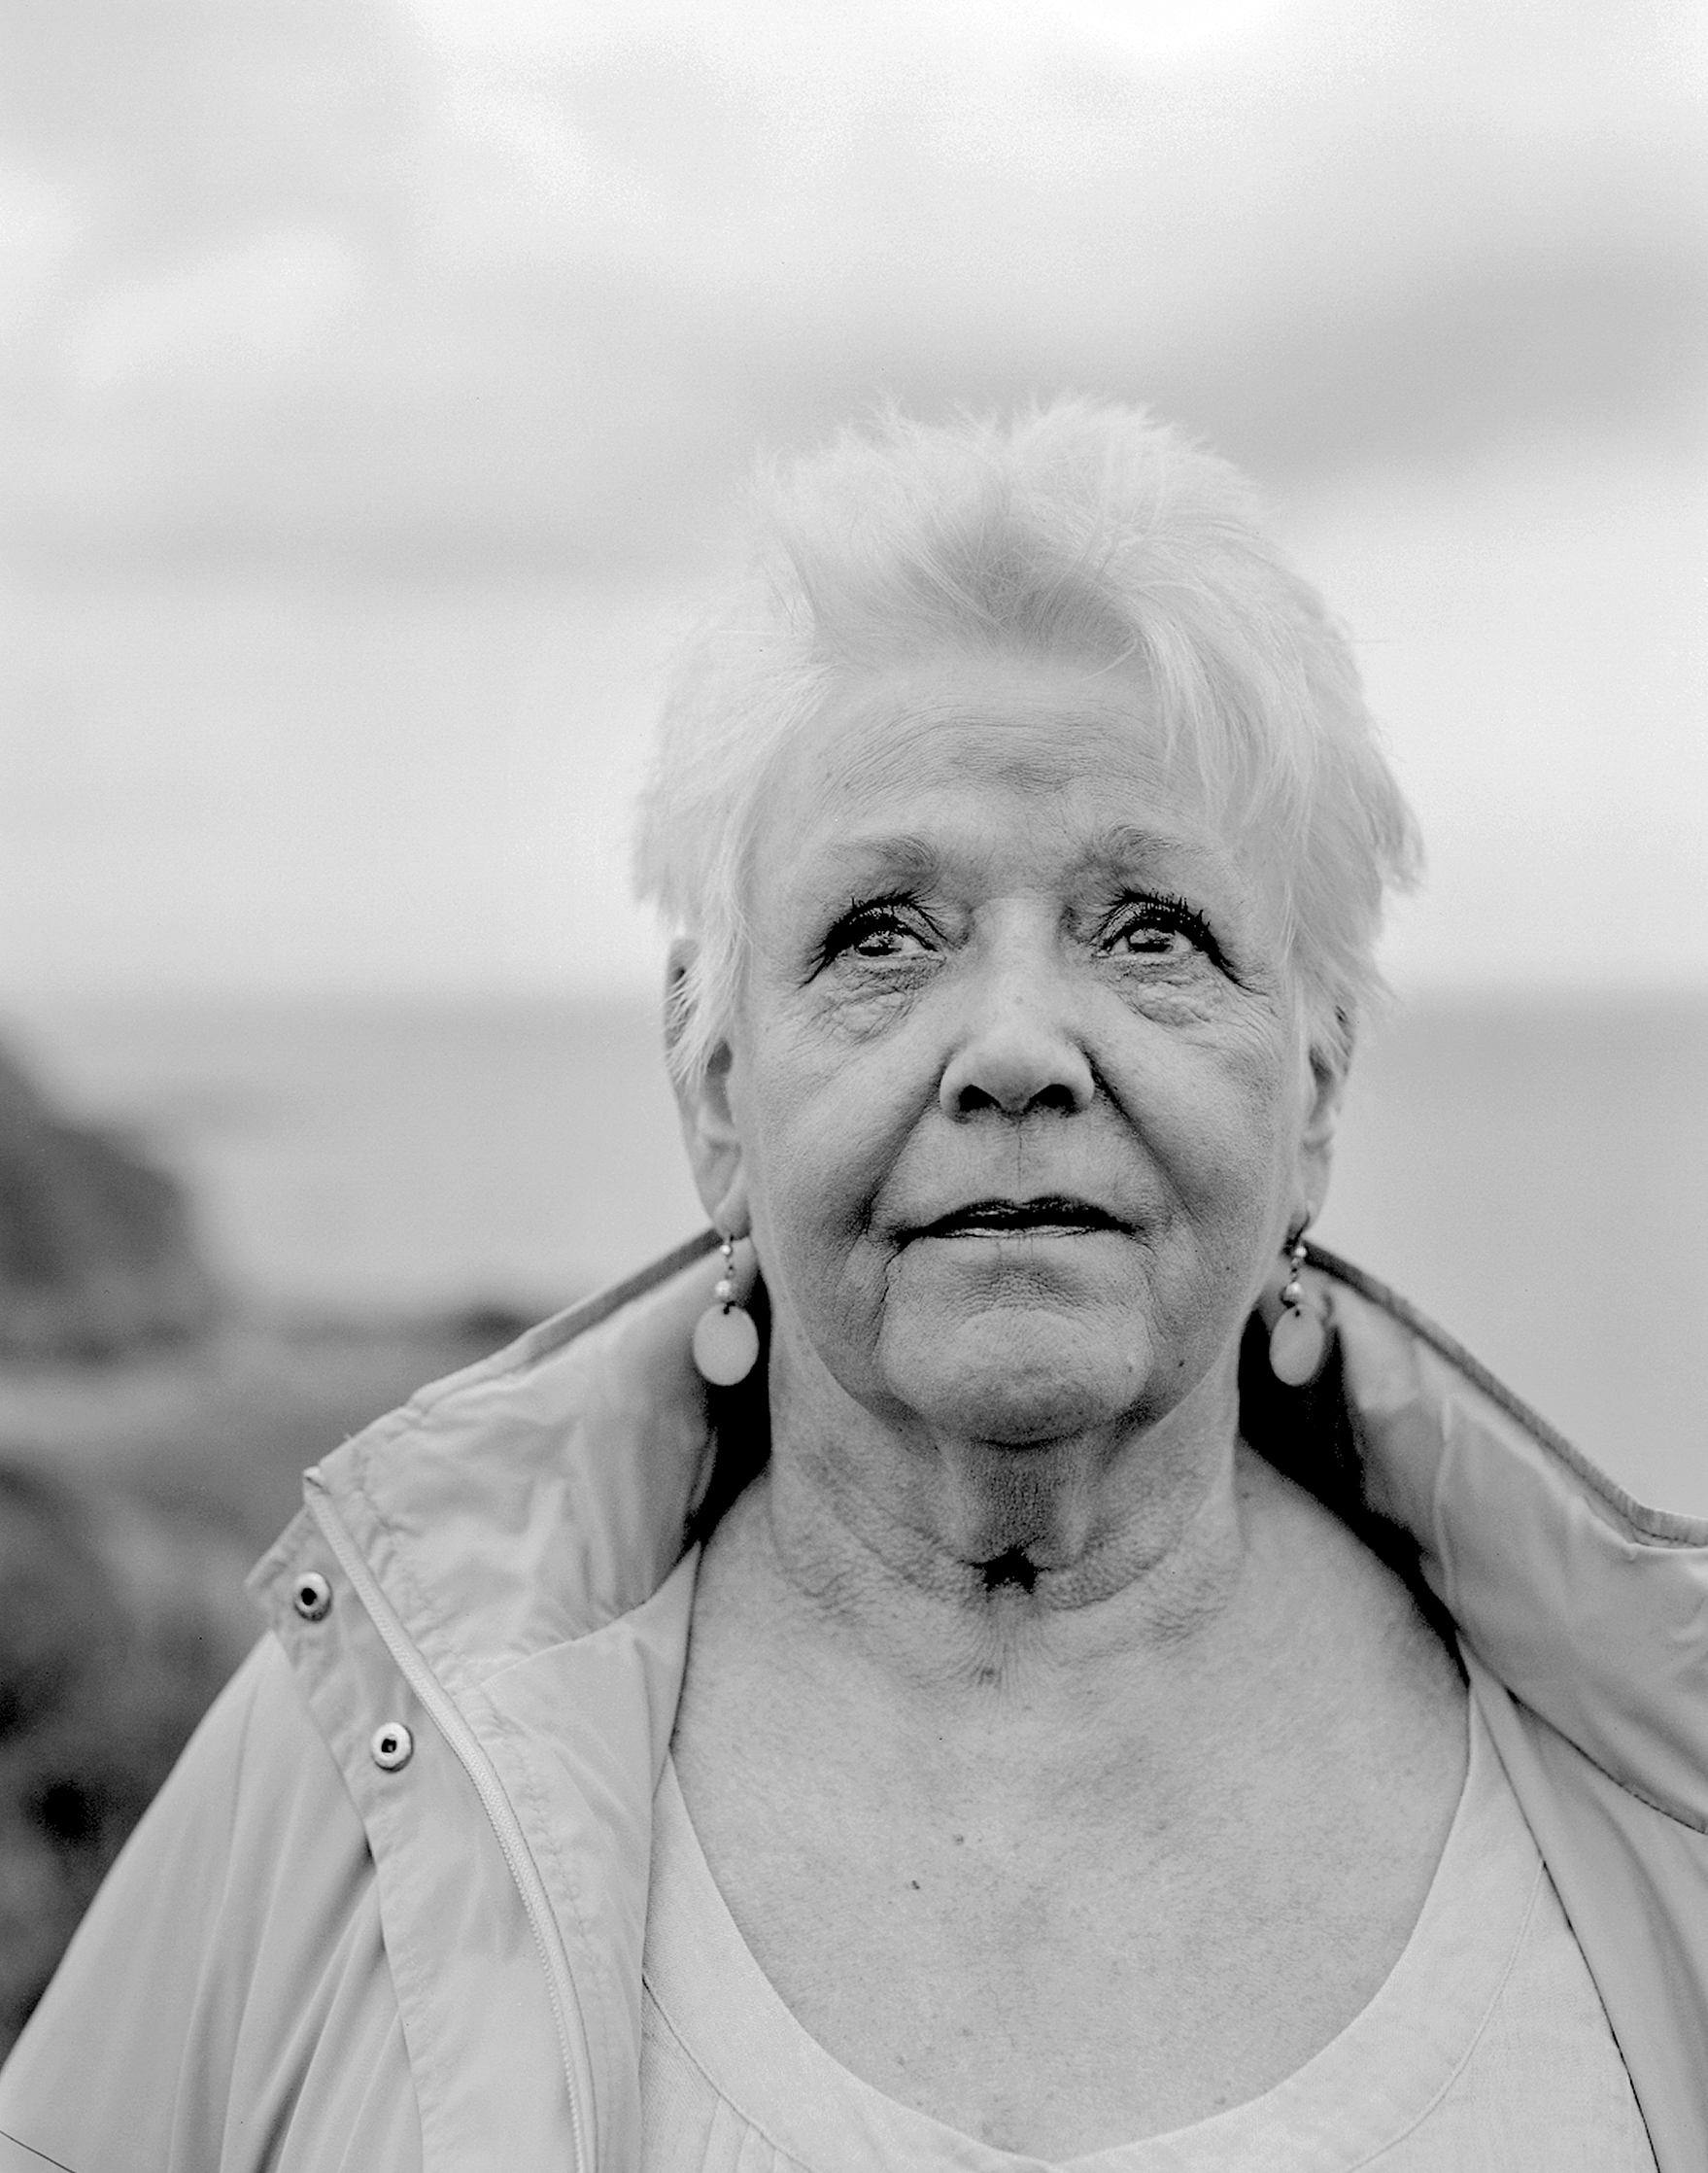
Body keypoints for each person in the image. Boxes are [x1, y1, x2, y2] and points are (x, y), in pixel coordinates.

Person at [2, 400, 1704, 2173]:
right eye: (879, 933)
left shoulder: (1653, 1794)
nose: (1019, 1048)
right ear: (719, 1090)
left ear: (1317, 1088)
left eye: (1152, 929)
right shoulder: (351, 1754)